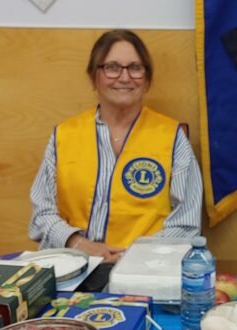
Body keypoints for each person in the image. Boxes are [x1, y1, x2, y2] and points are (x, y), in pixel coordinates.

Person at [29, 29, 203, 262]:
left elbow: (186, 225)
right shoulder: (64, 135)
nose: (124, 77)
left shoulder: (172, 138)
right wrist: (77, 243)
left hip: (144, 269)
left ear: (147, 79)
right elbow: (42, 214)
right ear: (94, 76)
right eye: (112, 67)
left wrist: (131, 256)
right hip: (72, 266)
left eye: (135, 68)